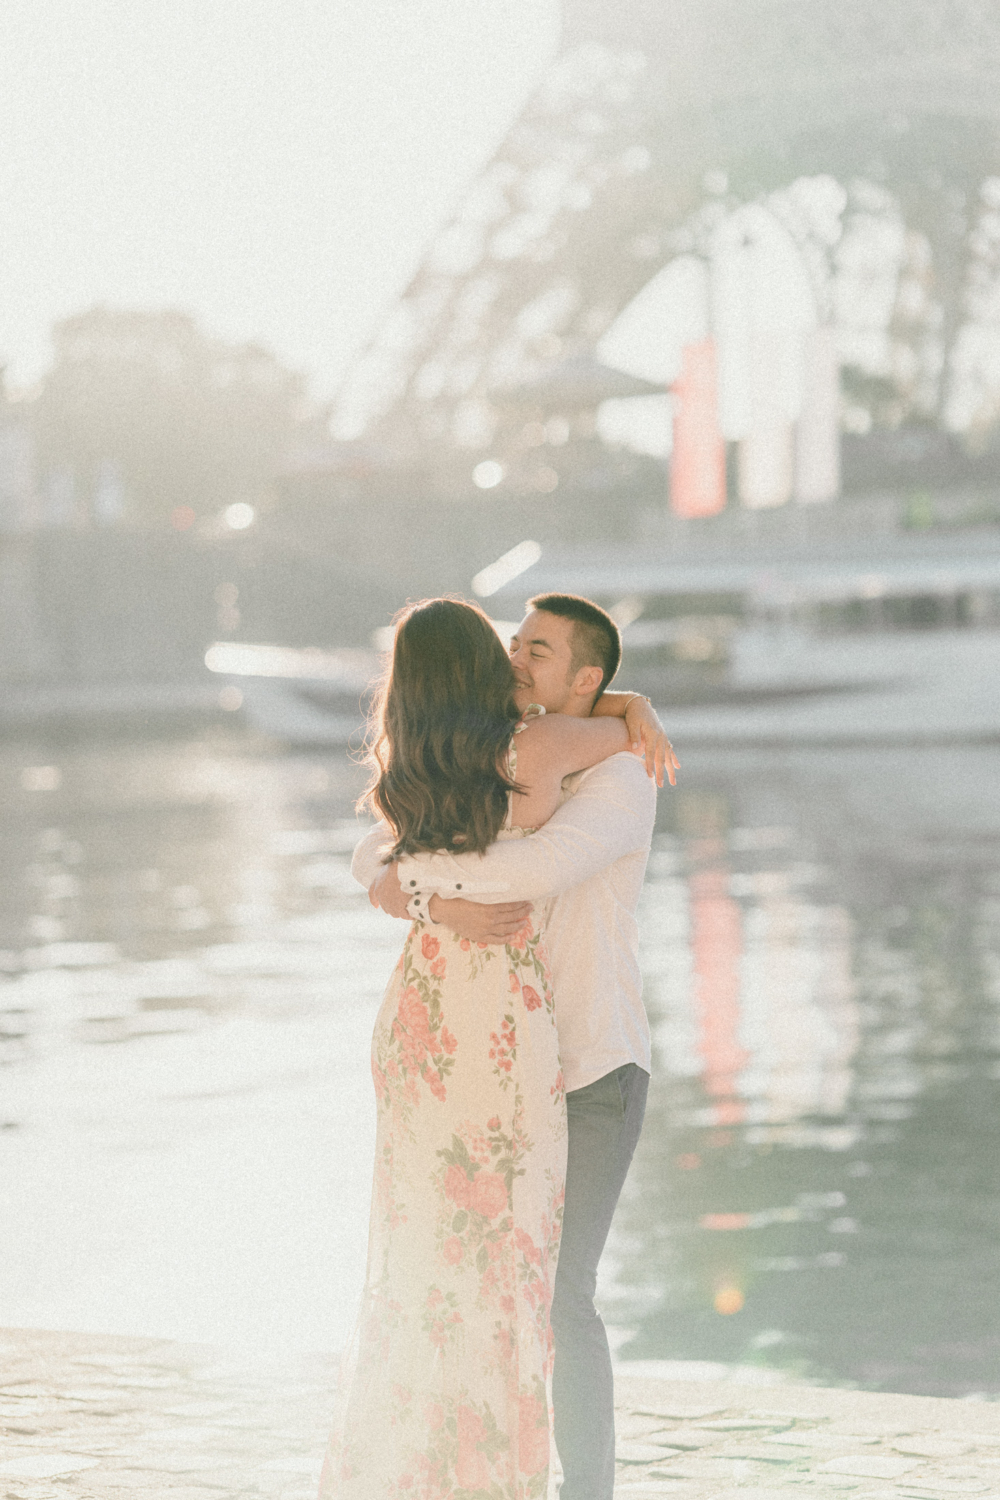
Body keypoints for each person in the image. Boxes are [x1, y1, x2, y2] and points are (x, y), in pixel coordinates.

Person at [320, 596, 657, 1500]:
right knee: (467, 1277)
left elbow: (528, 873)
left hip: (590, 1065)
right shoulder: (512, 748)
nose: (515, 661)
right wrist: (418, 892)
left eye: (536, 651)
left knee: (556, 1296)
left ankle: (584, 1490)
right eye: (511, 645)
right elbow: (372, 849)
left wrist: (416, 889)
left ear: (585, 678)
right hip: (502, 1053)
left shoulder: (623, 777)